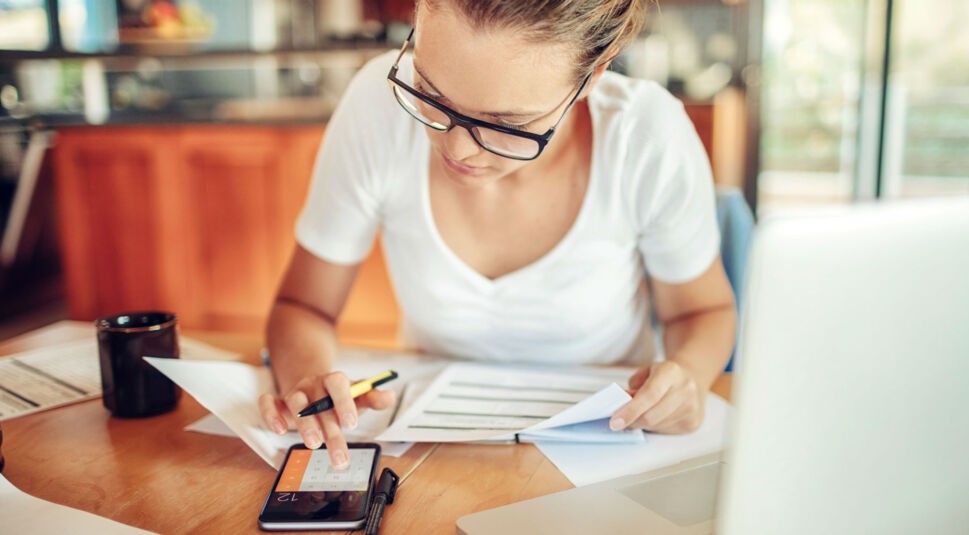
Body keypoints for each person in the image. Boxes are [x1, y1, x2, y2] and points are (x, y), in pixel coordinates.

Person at [259, 0, 737, 469]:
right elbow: (304, 306)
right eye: (430, 93)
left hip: (607, 444)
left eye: (508, 124)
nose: (457, 148)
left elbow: (703, 311)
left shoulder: (645, 135)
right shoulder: (378, 105)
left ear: (593, 75)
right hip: (434, 451)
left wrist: (688, 377)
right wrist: (308, 378)